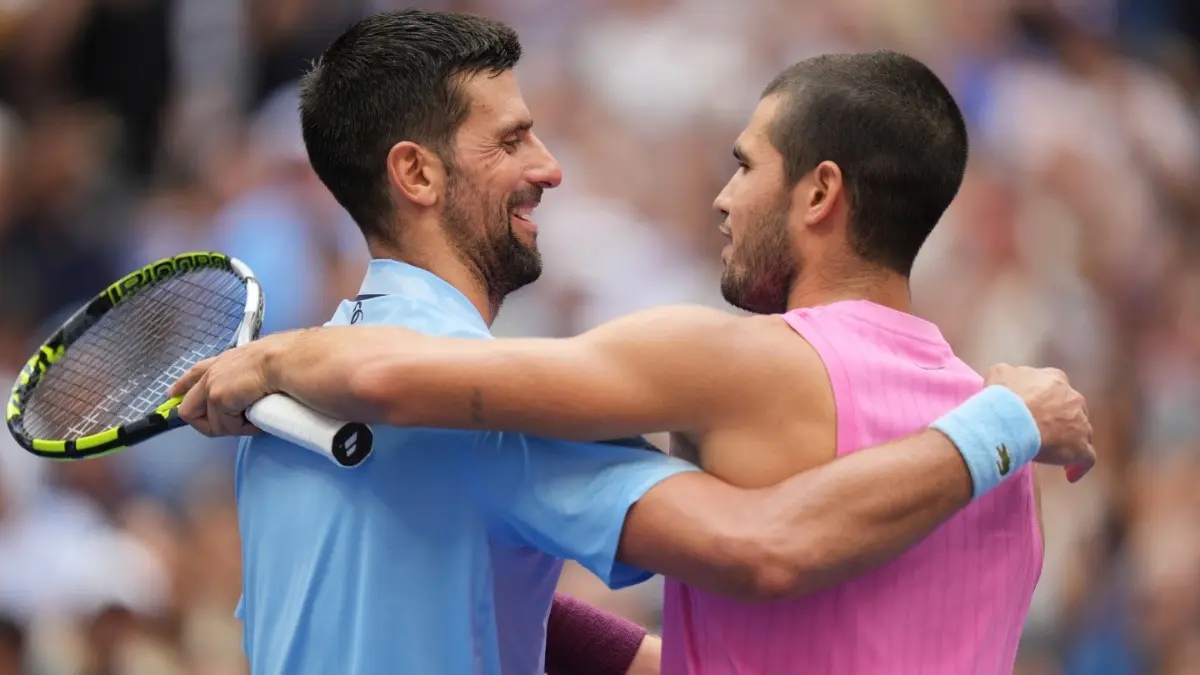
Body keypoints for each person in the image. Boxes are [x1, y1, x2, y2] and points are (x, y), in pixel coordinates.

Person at [170, 11, 1095, 675]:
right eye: (515, 139)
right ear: (414, 172)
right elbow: (769, 562)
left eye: (743, 165)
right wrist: (1003, 421)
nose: (551, 167)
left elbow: (765, 555)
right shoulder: (1010, 468)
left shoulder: (285, 410)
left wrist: (274, 357)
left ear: (819, 195)